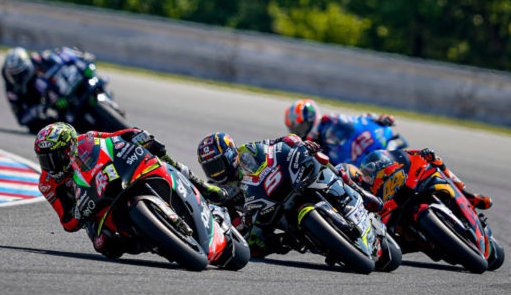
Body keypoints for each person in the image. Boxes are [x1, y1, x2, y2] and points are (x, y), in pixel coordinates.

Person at [34, 121, 228, 259]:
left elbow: (115, 137)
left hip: (113, 179)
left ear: (70, 148)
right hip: (94, 212)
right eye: (44, 159)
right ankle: (157, 244)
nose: (50, 165)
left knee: (159, 155)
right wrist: (79, 211)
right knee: (104, 245)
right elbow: (66, 222)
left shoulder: (89, 138)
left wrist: (136, 134)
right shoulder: (47, 184)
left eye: (54, 157)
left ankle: (200, 186)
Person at [195, 131, 382, 258]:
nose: (215, 173)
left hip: (284, 186)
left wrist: (298, 143)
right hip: (266, 217)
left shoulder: (249, 150)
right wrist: (243, 224)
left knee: (335, 166)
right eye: (210, 168)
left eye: (217, 165)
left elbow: (279, 143)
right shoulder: (219, 189)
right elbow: (229, 222)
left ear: (229, 155)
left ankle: (360, 193)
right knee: (255, 247)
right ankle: (292, 242)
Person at [285, 98, 491, 210]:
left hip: (380, 152)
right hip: (363, 175)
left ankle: (466, 194)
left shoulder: (331, 122)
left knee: (428, 159)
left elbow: (358, 119)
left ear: (312, 118)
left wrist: (378, 119)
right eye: (297, 127)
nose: (301, 130)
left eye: (302, 124)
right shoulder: (314, 147)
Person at [2, 46, 101, 133]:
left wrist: (82, 61)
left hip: (72, 85)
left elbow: (64, 52)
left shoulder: (41, 59)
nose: (19, 78)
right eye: (15, 75)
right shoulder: (12, 88)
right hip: (58, 108)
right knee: (38, 127)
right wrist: (43, 106)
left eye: (21, 73)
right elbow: (22, 119)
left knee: (92, 76)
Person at [361, 147, 492, 211]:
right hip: (395, 210)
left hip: (414, 186)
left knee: (436, 166)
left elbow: (416, 152)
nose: (370, 172)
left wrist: (426, 154)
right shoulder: (369, 188)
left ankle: (468, 195)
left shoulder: (397, 157)